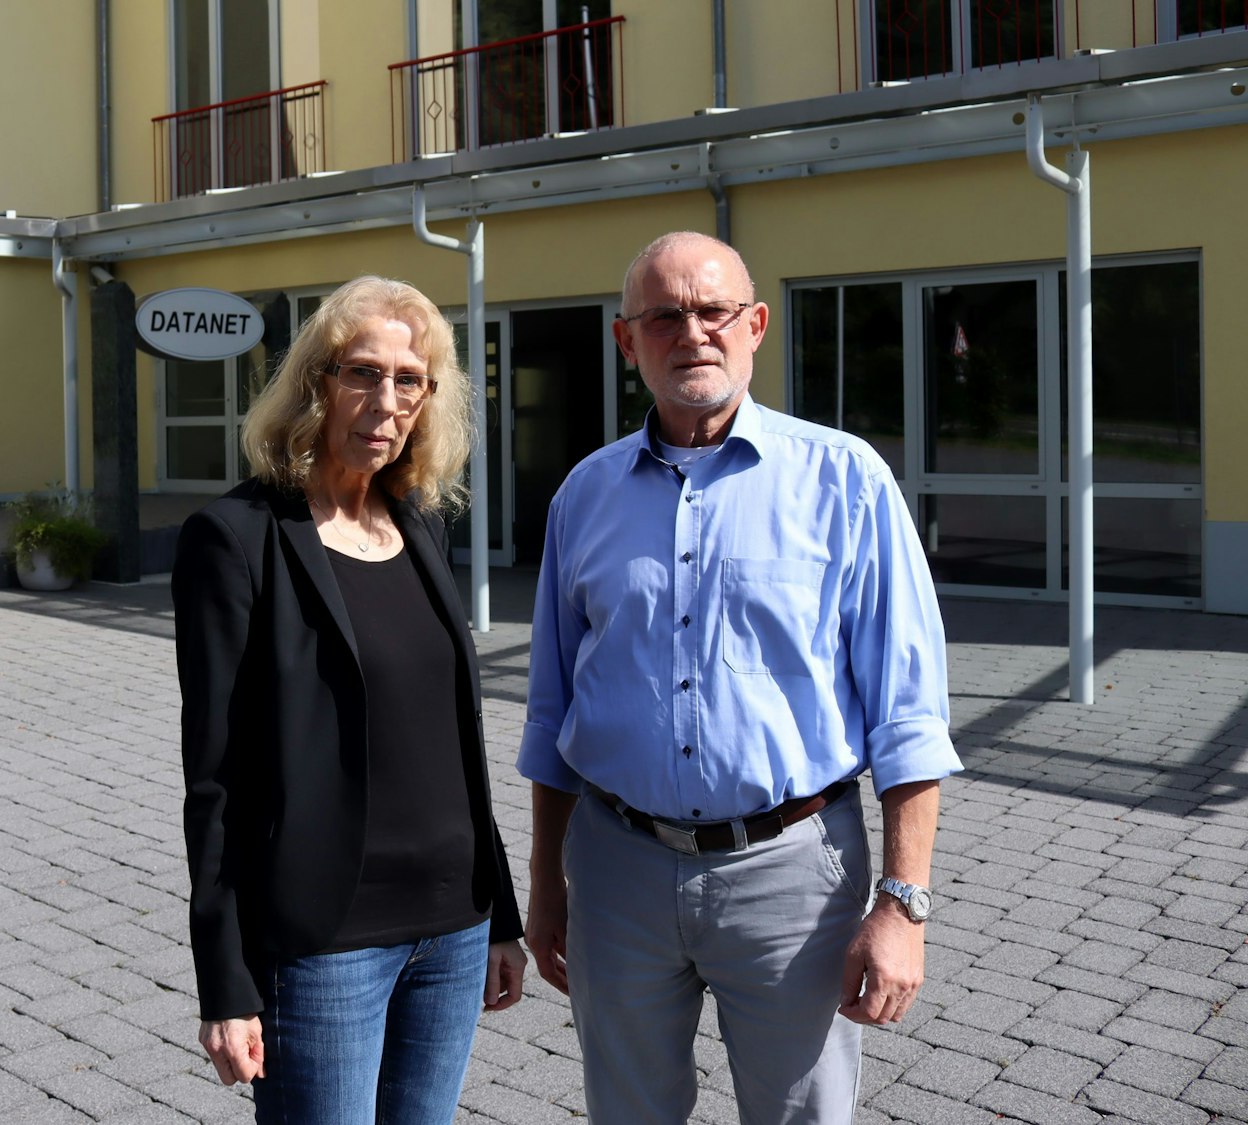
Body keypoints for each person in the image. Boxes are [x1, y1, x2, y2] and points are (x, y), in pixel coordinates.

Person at [518, 232, 961, 1124]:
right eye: (665, 315)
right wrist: (546, 883)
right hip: (617, 873)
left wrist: (904, 904)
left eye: (715, 311)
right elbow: (554, 709)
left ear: (755, 326)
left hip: (793, 873)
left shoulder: (845, 481)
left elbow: (909, 713)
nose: (694, 333)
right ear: (626, 340)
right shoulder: (584, 496)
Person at [173, 275, 529, 1124]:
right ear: (316, 382)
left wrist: (500, 912)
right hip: (326, 943)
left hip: (452, 925)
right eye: (363, 371)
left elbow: (456, 743)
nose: (386, 399)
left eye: (410, 380)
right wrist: (225, 981)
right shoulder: (237, 539)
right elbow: (214, 776)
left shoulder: (418, 525)